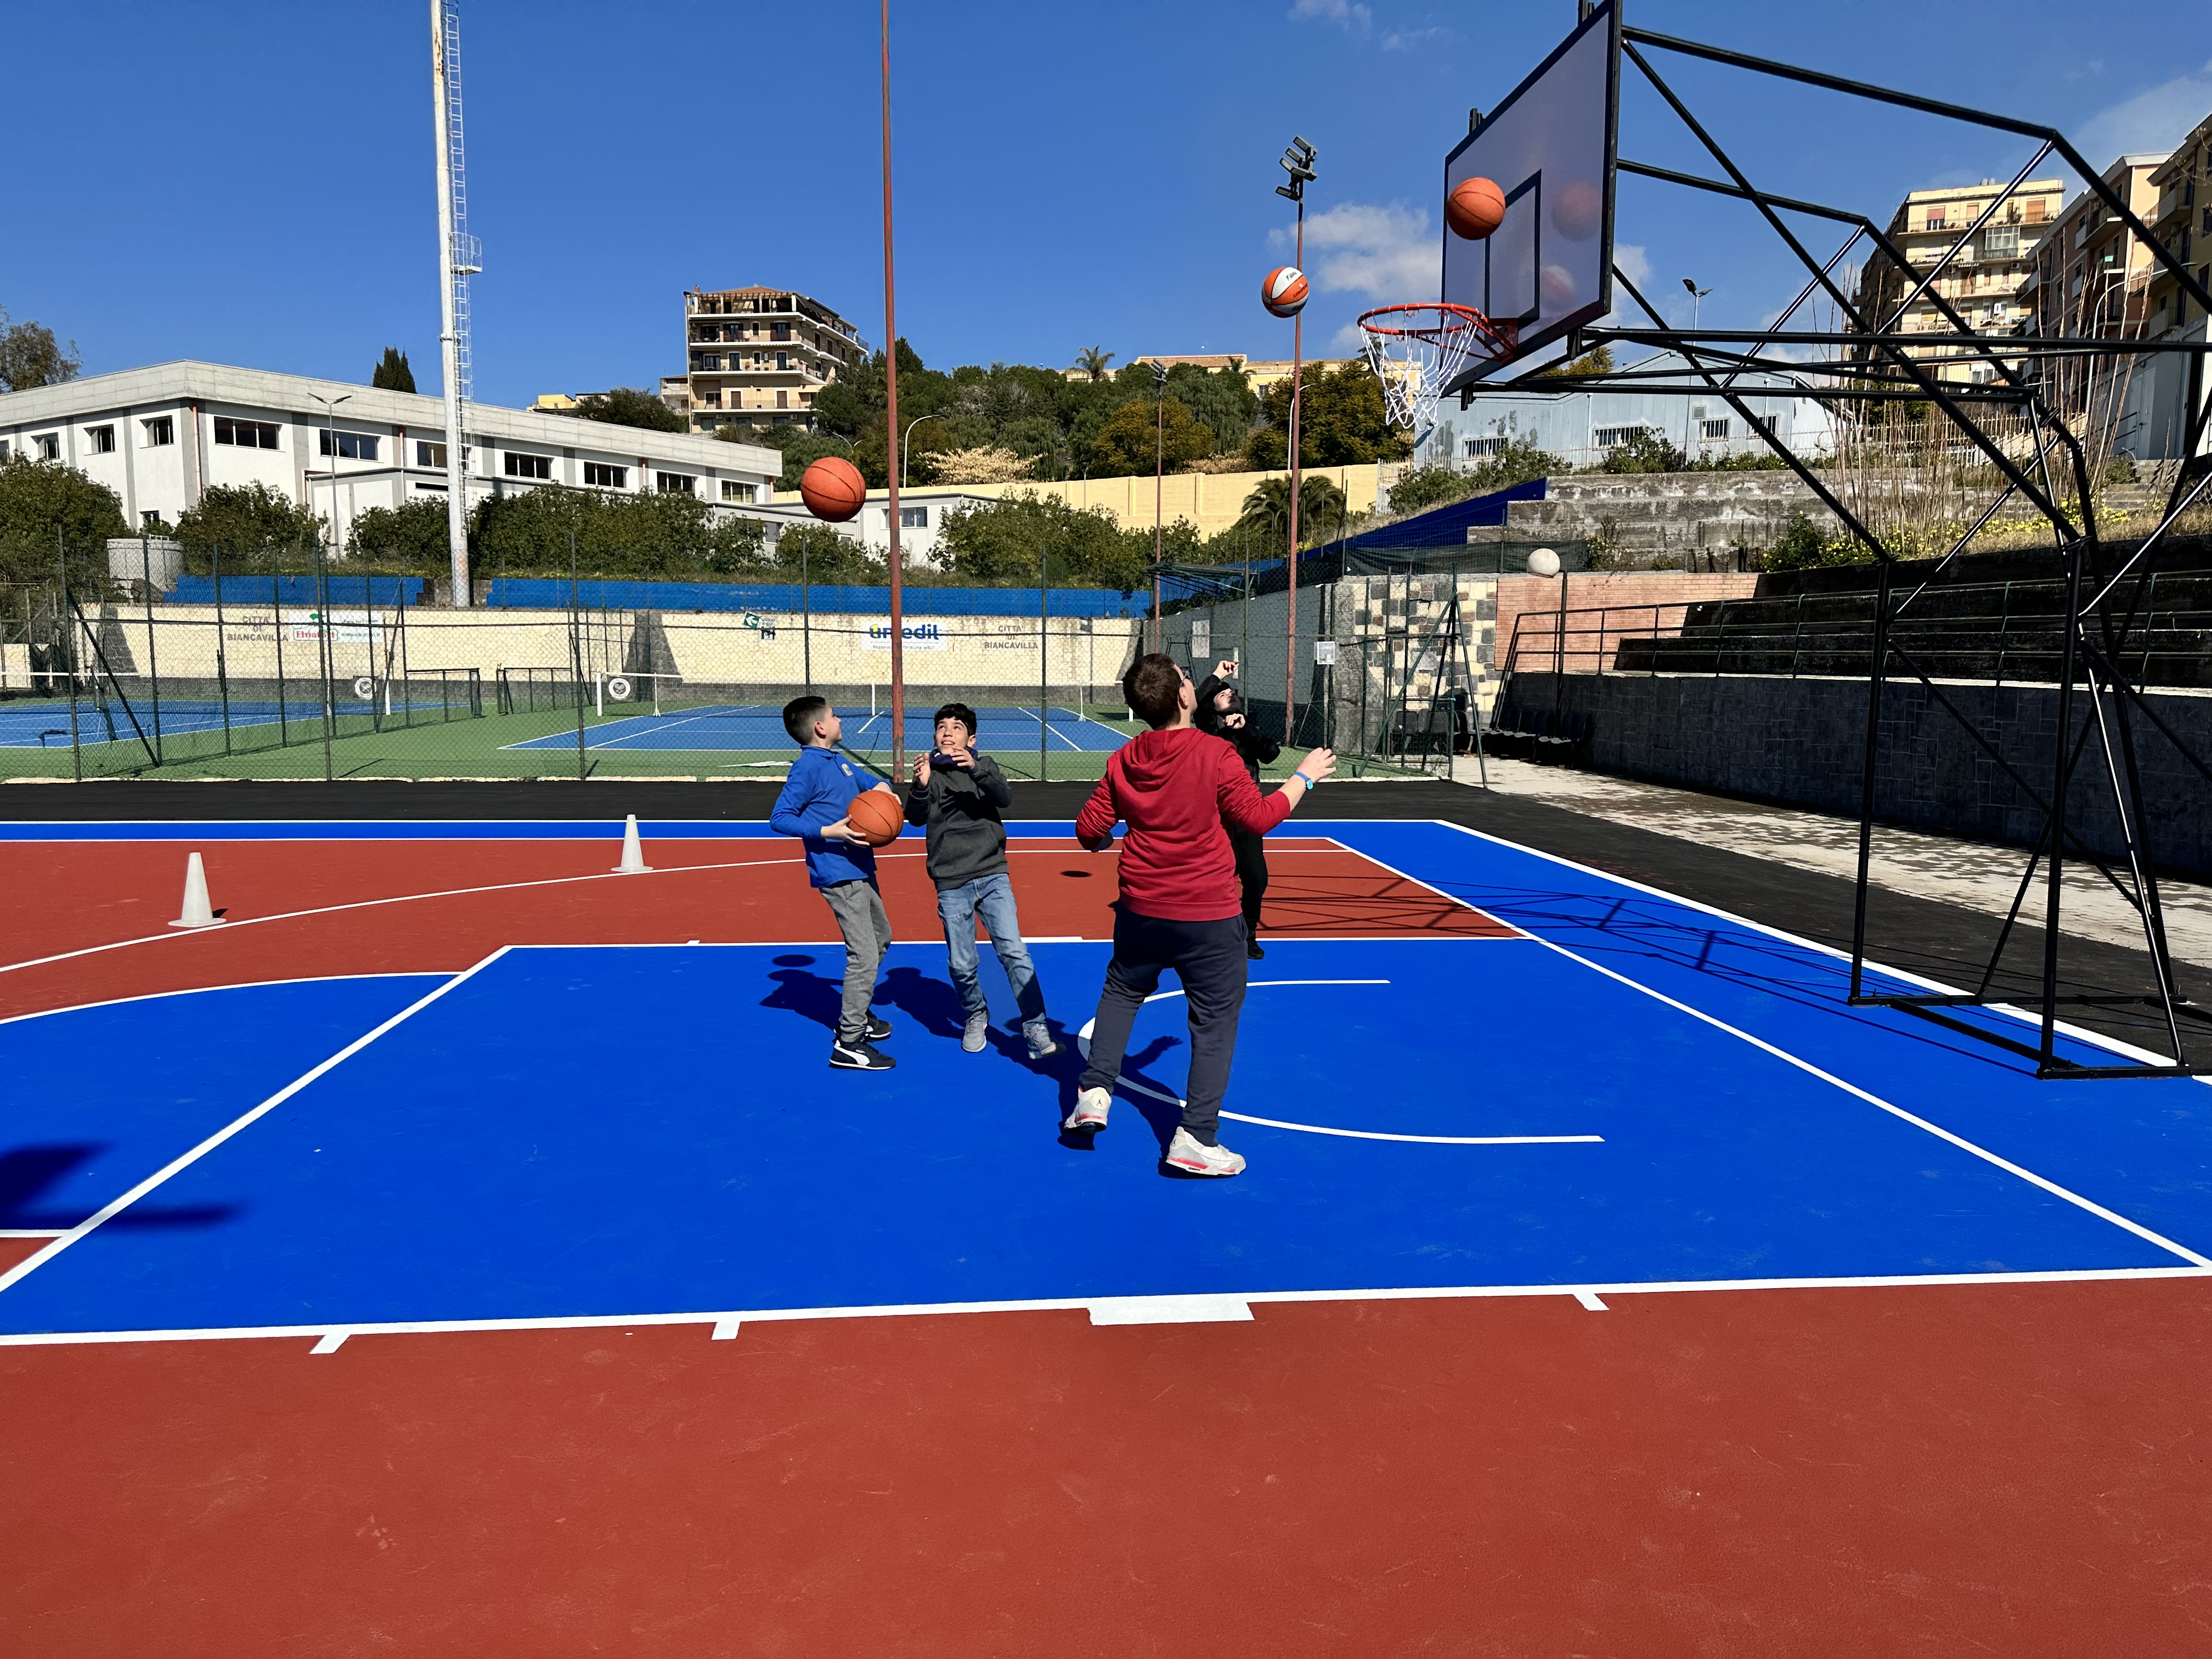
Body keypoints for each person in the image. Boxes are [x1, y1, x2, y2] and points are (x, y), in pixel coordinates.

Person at [1066, 652, 1336, 1176]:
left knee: (1122, 993)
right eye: (1188, 678)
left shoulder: (1123, 760)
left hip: (1141, 909)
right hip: (1207, 915)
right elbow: (1258, 818)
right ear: (1185, 697)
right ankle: (1196, 1136)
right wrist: (1304, 777)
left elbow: (1087, 832)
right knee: (1213, 1023)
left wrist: (1109, 834)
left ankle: (1095, 1093)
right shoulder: (1215, 755)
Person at [905, 702, 1057, 1059]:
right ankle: (976, 1014)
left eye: (956, 727)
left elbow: (1004, 797)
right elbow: (913, 819)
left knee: (1013, 950)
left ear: (970, 739)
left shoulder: (984, 765)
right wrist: (919, 785)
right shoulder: (930, 772)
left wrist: (975, 769)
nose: (947, 732)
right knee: (961, 964)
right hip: (951, 881)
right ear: (934, 736)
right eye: (941, 726)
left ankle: (1034, 1024)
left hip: (992, 875)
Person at [769, 695, 900, 1071]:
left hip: (860, 867)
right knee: (864, 953)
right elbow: (780, 818)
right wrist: (828, 830)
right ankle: (849, 1042)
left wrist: (884, 793)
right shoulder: (808, 768)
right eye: (834, 715)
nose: (840, 718)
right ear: (820, 728)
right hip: (838, 872)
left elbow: (871, 784)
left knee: (881, 939)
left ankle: (858, 1012)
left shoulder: (838, 762)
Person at [1194, 658, 1281, 959]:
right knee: (1216, 876)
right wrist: (1218, 675)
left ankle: (1249, 932)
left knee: (1256, 876)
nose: (1227, 693)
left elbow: (1271, 754)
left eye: (1231, 692)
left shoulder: (1249, 724)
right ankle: (1212, 933)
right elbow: (1198, 702)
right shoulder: (1206, 729)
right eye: (1221, 694)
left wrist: (1246, 731)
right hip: (1214, 816)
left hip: (1246, 813)